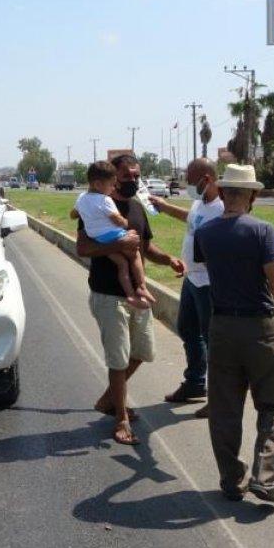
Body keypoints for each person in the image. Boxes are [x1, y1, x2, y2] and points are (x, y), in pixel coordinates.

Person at [194, 164, 274, 503]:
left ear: (224, 192)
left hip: (222, 326)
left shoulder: (206, 233)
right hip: (260, 326)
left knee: (225, 407)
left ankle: (232, 479)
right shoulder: (263, 231)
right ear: (252, 195)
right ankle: (265, 476)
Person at [76, 154, 184, 446]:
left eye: (137, 176)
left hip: (136, 294)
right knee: (118, 359)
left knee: (142, 352)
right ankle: (121, 418)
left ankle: (109, 400)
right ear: (112, 179)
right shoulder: (97, 206)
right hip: (109, 295)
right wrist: (116, 244)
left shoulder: (137, 206)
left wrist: (169, 259)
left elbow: (145, 246)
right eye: (126, 177)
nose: (133, 181)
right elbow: (83, 247)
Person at [147, 158, 225, 418]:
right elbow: (192, 220)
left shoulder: (222, 208)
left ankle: (219, 399)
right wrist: (166, 207)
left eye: (192, 181)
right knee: (188, 330)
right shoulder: (200, 202)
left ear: (207, 179)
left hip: (210, 284)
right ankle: (195, 383)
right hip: (192, 279)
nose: (189, 186)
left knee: (213, 340)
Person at [72, 160, 157, 309]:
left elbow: (73, 214)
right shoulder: (105, 200)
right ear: (98, 185)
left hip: (98, 238)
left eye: (136, 176)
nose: (114, 187)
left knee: (122, 264)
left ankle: (130, 295)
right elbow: (117, 220)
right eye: (112, 184)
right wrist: (125, 224)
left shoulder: (81, 198)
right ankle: (141, 286)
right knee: (134, 255)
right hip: (113, 237)